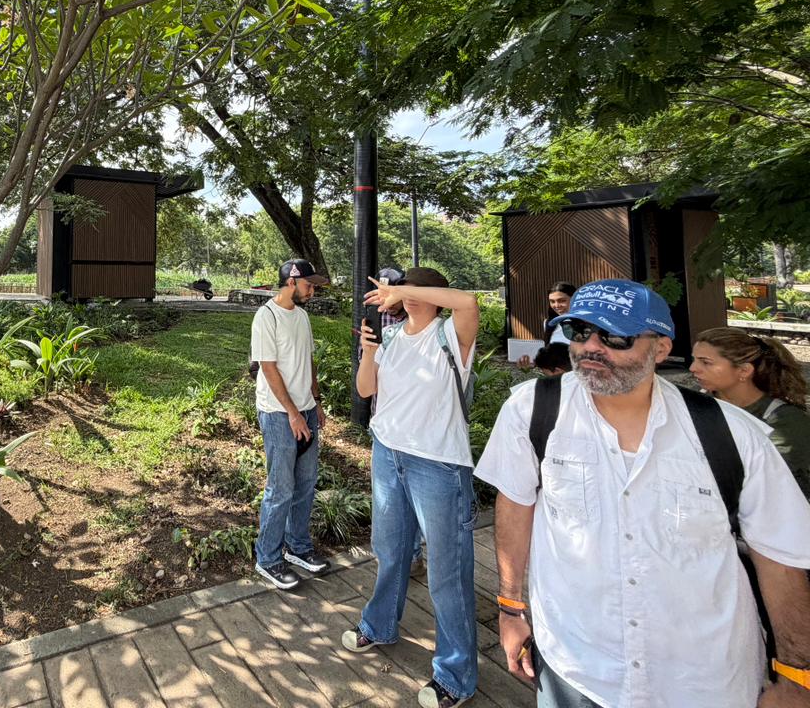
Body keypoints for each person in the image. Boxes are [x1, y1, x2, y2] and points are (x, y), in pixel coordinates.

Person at [475, 279, 810, 708]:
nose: (591, 347)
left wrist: (796, 675)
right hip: (576, 666)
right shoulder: (532, 410)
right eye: (579, 331)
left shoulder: (732, 433)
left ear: (661, 348)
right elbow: (516, 503)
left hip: (703, 679)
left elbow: (780, 559)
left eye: (615, 337)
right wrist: (510, 607)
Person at [342, 266, 480, 708]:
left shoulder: (449, 335)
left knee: (446, 572)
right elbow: (366, 389)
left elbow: (469, 302)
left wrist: (404, 289)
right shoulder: (392, 337)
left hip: (437, 464)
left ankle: (455, 675)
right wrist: (368, 352)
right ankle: (379, 624)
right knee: (390, 550)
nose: (412, 297)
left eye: (421, 290)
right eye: (407, 290)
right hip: (388, 453)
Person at [251, 258, 330, 590]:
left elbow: (308, 361)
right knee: (281, 488)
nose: (312, 291)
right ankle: (268, 558)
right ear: (291, 282)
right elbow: (268, 369)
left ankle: (297, 547)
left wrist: (316, 401)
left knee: (306, 483)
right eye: (309, 285)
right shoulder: (266, 317)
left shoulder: (303, 316)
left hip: (306, 410)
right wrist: (293, 413)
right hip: (278, 414)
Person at [692, 326, 810, 502]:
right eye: (694, 360)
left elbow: (769, 480)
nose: (693, 368)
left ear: (744, 371)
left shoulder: (785, 420)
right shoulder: (695, 406)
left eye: (706, 362)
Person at [517, 282, 576, 369]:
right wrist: (532, 365)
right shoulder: (549, 324)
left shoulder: (588, 323)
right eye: (552, 301)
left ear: (575, 299)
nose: (557, 305)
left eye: (562, 301)